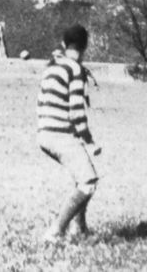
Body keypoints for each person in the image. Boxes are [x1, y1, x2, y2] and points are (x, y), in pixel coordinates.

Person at [37, 24, 101, 243]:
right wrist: (90, 142)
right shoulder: (75, 69)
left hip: (44, 132)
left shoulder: (52, 66)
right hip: (61, 133)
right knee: (88, 182)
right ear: (85, 46)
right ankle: (55, 232)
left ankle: (80, 228)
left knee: (80, 177)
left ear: (64, 44)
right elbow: (76, 112)